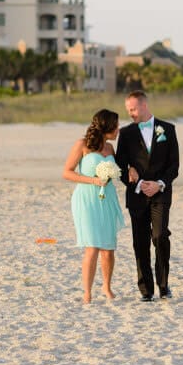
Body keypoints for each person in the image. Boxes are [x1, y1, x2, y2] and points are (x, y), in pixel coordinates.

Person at [115, 91, 179, 302]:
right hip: (137, 195)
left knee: (160, 236)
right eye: (128, 110)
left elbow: (174, 165)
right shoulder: (125, 134)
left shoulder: (167, 129)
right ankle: (146, 290)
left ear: (144, 105)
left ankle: (164, 284)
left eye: (133, 109)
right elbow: (120, 167)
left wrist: (159, 184)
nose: (130, 113)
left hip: (160, 193)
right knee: (139, 242)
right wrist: (140, 183)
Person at [63, 109, 128, 304]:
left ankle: (106, 287)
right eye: (115, 125)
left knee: (108, 248)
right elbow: (67, 172)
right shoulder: (82, 145)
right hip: (87, 199)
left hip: (106, 199)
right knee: (92, 247)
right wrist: (93, 181)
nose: (118, 129)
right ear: (107, 127)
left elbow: (119, 173)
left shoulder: (110, 148)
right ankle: (87, 292)